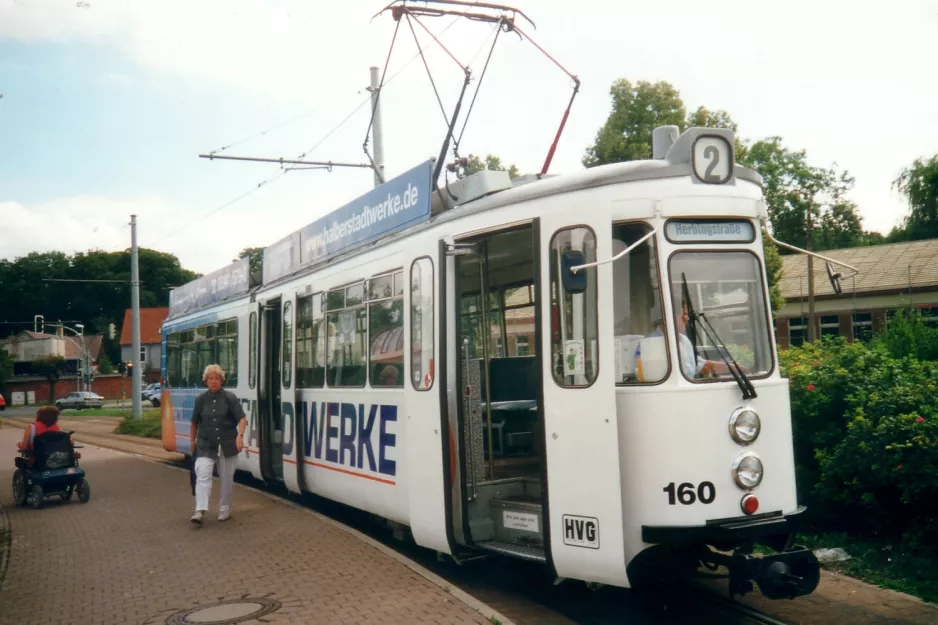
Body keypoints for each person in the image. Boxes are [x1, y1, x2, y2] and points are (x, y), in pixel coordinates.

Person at [189, 364, 247, 524]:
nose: (214, 381)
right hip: (205, 444)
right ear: (206, 381)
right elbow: (194, 422)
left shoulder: (230, 398)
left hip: (227, 444)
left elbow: (242, 419)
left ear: (221, 380)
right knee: (202, 473)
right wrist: (192, 442)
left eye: (217, 378)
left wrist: (240, 436)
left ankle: (224, 509)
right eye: (210, 378)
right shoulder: (200, 400)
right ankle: (199, 510)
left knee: (226, 479)